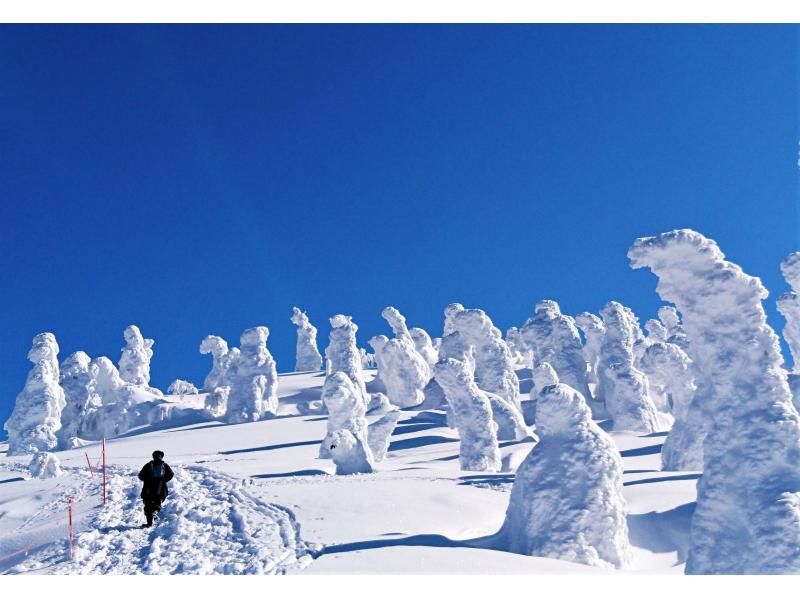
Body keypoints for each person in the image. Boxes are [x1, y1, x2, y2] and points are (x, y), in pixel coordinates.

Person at [137, 450, 174, 527]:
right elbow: (171, 474)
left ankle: (149, 523)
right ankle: (155, 511)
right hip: (160, 487)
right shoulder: (164, 465)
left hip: (148, 487)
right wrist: (163, 480)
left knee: (148, 504)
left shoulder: (148, 465)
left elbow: (140, 475)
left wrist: (147, 480)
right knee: (158, 501)